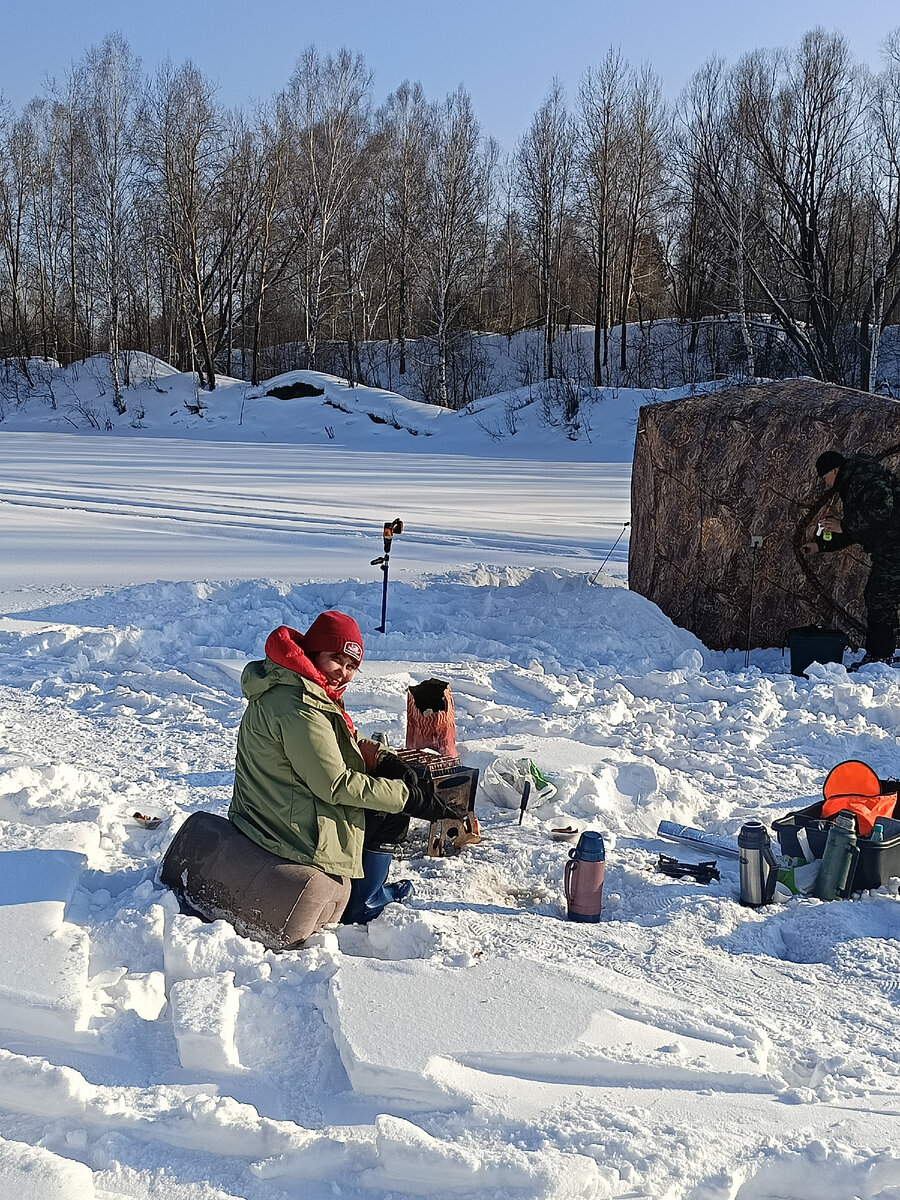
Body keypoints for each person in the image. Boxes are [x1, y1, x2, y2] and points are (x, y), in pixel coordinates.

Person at [228, 610, 458, 937]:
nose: (344, 673)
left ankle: (363, 885)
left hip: (271, 808)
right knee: (389, 808)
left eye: (352, 667)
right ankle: (364, 903)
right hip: (285, 830)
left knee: (388, 791)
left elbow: (339, 741)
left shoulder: (296, 686)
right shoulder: (299, 706)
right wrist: (408, 797)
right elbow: (334, 785)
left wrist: (385, 759)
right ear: (313, 652)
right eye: (337, 659)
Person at [801, 450, 900, 668]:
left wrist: (843, 525)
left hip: (895, 547)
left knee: (881, 597)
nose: (825, 483)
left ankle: (880, 656)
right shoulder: (854, 482)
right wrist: (820, 545)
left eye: (824, 476)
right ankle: (878, 655)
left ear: (834, 470)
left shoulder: (865, 477)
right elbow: (859, 529)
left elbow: (883, 508)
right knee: (877, 595)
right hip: (889, 548)